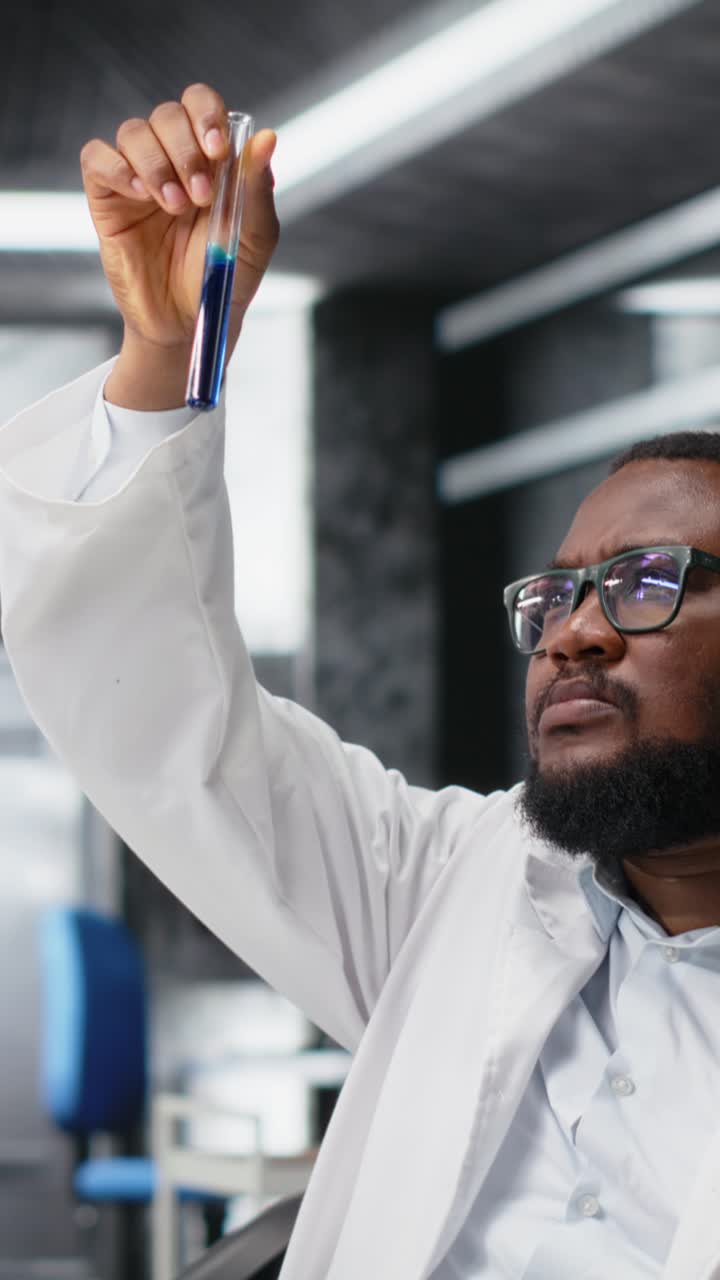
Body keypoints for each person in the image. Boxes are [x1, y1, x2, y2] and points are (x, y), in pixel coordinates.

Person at [1, 82, 720, 1280]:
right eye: (552, 596)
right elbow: (166, 720)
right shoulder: (460, 890)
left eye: (648, 580)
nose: (572, 635)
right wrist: (168, 352)